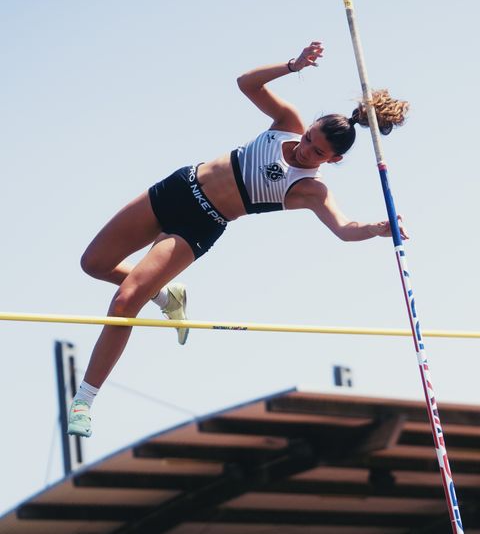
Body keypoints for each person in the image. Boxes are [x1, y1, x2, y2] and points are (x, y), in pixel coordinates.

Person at [67, 41, 409, 437]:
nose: (303, 151)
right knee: (93, 264)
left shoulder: (311, 191)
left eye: (316, 153)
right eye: (309, 138)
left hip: (198, 225)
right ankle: (166, 296)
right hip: (178, 187)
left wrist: (379, 228)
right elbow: (246, 84)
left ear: (332, 161)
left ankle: (84, 401)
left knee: (126, 300)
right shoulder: (287, 121)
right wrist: (293, 65)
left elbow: (345, 230)